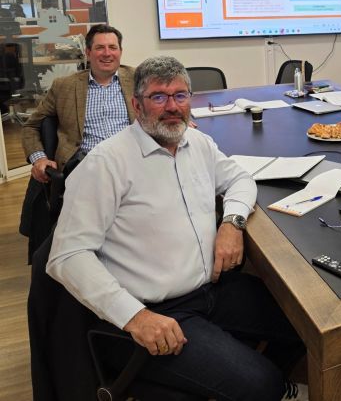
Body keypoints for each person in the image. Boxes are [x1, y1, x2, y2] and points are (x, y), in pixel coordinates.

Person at [46, 56, 306, 401]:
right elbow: (67, 256)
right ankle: (269, 385)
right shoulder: (105, 164)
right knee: (260, 383)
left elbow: (241, 179)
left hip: (211, 291)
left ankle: (264, 381)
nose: (172, 107)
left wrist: (232, 223)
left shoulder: (197, 144)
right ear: (137, 105)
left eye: (180, 95)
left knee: (305, 323)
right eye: (158, 97)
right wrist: (136, 317)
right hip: (154, 309)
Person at [22, 23, 135, 183]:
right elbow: (31, 126)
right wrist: (39, 158)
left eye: (112, 47)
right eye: (100, 48)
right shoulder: (64, 86)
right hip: (86, 166)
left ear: (120, 51)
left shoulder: (138, 79)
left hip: (131, 162)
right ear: (88, 52)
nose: (107, 53)